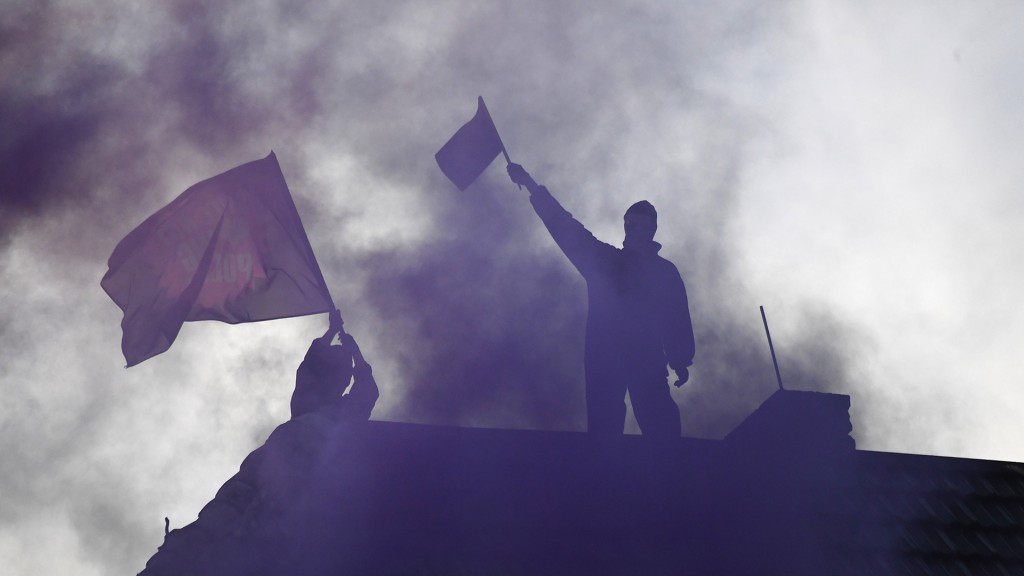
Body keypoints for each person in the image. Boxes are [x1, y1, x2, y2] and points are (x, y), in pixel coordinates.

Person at [508, 163, 695, 436]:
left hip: (646, 358)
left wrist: (680, 358)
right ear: (626, 226)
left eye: (645, 225)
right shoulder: (604, 262)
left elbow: (676, 316)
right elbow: (565, 227)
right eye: (633, 224)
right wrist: (533, 187)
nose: (639, 230)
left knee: (662, 430)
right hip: (606, 357)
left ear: (653, 229)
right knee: (605, 433)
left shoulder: (664, 272)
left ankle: (671, 474)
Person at [290, 309, 378, 421]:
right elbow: (367, 391)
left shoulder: (339, 410)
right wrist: (355, 352)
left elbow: (312, 360)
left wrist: (333, 330)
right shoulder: (340, 412)